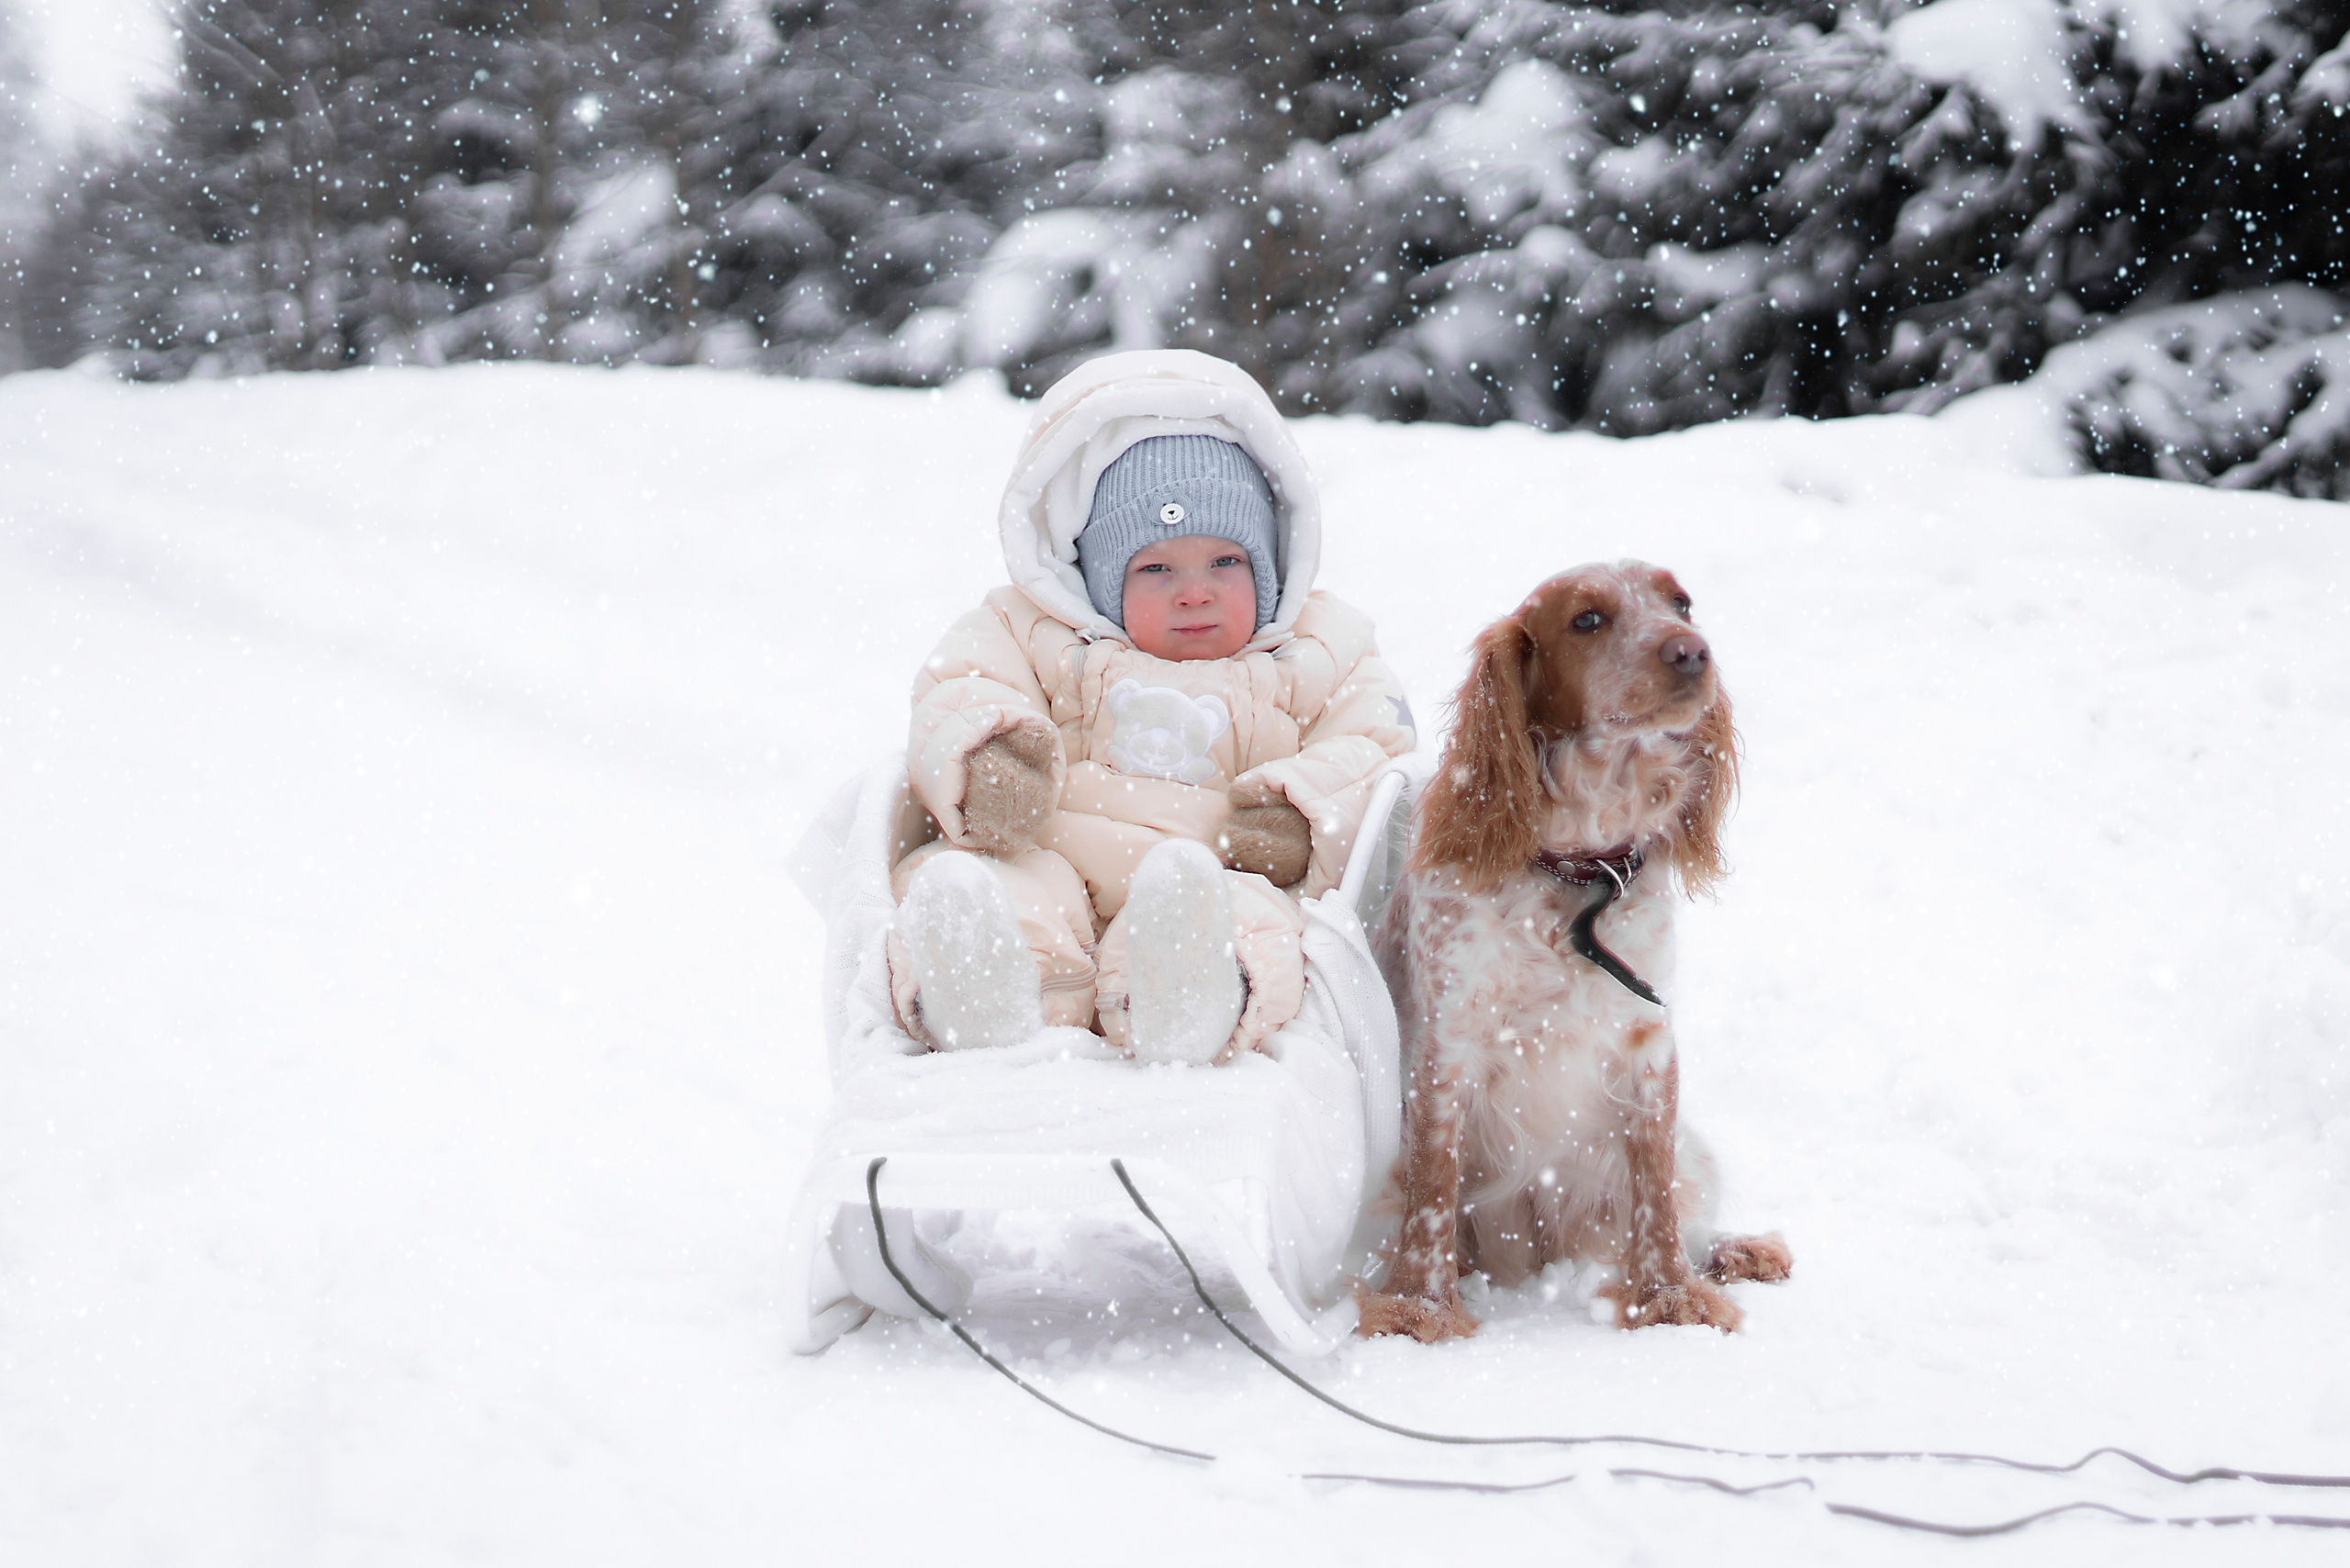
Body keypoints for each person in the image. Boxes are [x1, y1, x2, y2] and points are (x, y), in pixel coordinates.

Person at [888, 349, 1416, 1065]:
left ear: (1270, 562)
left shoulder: (1321, 647)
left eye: (1225, 562)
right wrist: (991, 757)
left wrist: (1302, 811)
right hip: (1053, 852)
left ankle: (1185, 1003)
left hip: (1222, 868)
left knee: (1247, 922)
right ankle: (994, 997)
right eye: (1156, 568)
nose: (1193, 592)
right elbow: (961, 688)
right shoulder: (1035, 631)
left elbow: (1376, 752)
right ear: (1102, 580)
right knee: (998, 891)